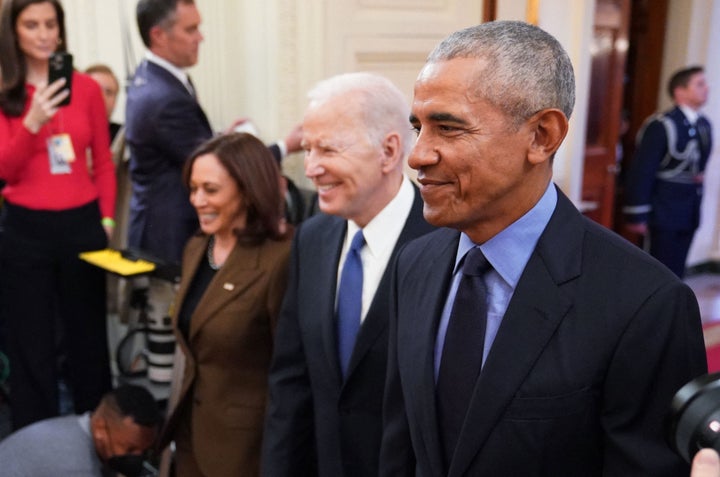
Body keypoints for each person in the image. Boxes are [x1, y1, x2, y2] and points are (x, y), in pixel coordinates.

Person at [379, 21, 707, 476]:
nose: (418, 155)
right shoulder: (415, 264)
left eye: (448, 128)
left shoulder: (647, 305)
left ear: (542, 136)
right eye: (419, 127)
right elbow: (402, 445)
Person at [262, 72, 434, 477]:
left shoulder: (447, 244)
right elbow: (291, 384)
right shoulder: (311, 239)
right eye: (307, 149)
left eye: (328, 149)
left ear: (389, 151)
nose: (311, 168)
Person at [125, 0, 299, 382]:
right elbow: (219, 165)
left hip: (160, 229)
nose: (201, 37)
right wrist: (285, 145)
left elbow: (190, 147)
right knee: (168, 350)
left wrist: (218, 138)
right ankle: (162, 435)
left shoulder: (157, 80)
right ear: (159, 35)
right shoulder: (162, 96)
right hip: (169, 237)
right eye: (190, 30)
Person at [0, 0, 116, 429]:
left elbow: (103, 163)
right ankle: (36, 441)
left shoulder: (85, 88)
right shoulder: (6, 93)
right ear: (14, 33)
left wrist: (106, 221)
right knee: (31, 343)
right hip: (25, 229)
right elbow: (4, 171)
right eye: (32, 25)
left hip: (83, 224)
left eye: (51, 24)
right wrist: (31, 122)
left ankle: (100, 436)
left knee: (88, 339)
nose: (44, 34)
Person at [158, 132, 292, 476]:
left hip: (246, 452)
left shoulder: (283, 258)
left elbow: (291, 372)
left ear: (247, 191)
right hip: (189, 438)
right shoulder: (196, 248)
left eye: (211, 190)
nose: (197, 200)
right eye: (193, 188)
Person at [623, 66, 712, 278]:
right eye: (699, 84)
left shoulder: (703, 125)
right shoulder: (661, 125)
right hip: (664, 210)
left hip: (689, 210)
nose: (706, 88)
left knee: (677, 272)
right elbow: (643, 170)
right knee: (659, 273)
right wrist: (638, 214)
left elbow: (699, 168)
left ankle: (674, 311)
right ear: (680, 92)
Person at [0, 384, 161, 477]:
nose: (137, 457)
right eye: (130, 448)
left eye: (144, 450)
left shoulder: (78, 426)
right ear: (100, 429)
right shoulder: (78, 466)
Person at [85, 63, 122, 142]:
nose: (102, 97)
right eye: (96, 90)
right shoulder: (63, 130)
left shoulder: (124, 136)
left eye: (108, 92)